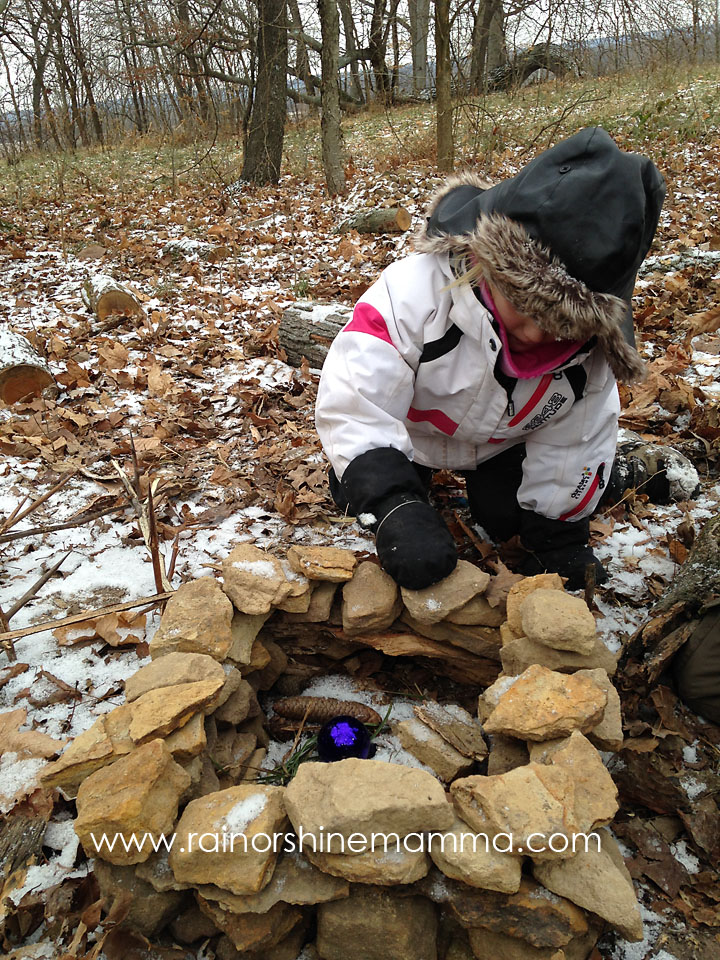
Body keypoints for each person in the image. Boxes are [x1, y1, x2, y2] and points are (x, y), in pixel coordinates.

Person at [315, 127, 666, 591]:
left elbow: (575, 441)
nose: (536, 332)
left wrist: (558, 534)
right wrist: (393, 502)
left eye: (561, 323)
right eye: (523, 303)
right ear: (486, 263)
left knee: (506, 517)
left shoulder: (588, 358)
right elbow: (356, 398)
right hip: (415, 433)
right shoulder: (416, 294)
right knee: (365, 491)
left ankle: (633, 471)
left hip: (503, 445)